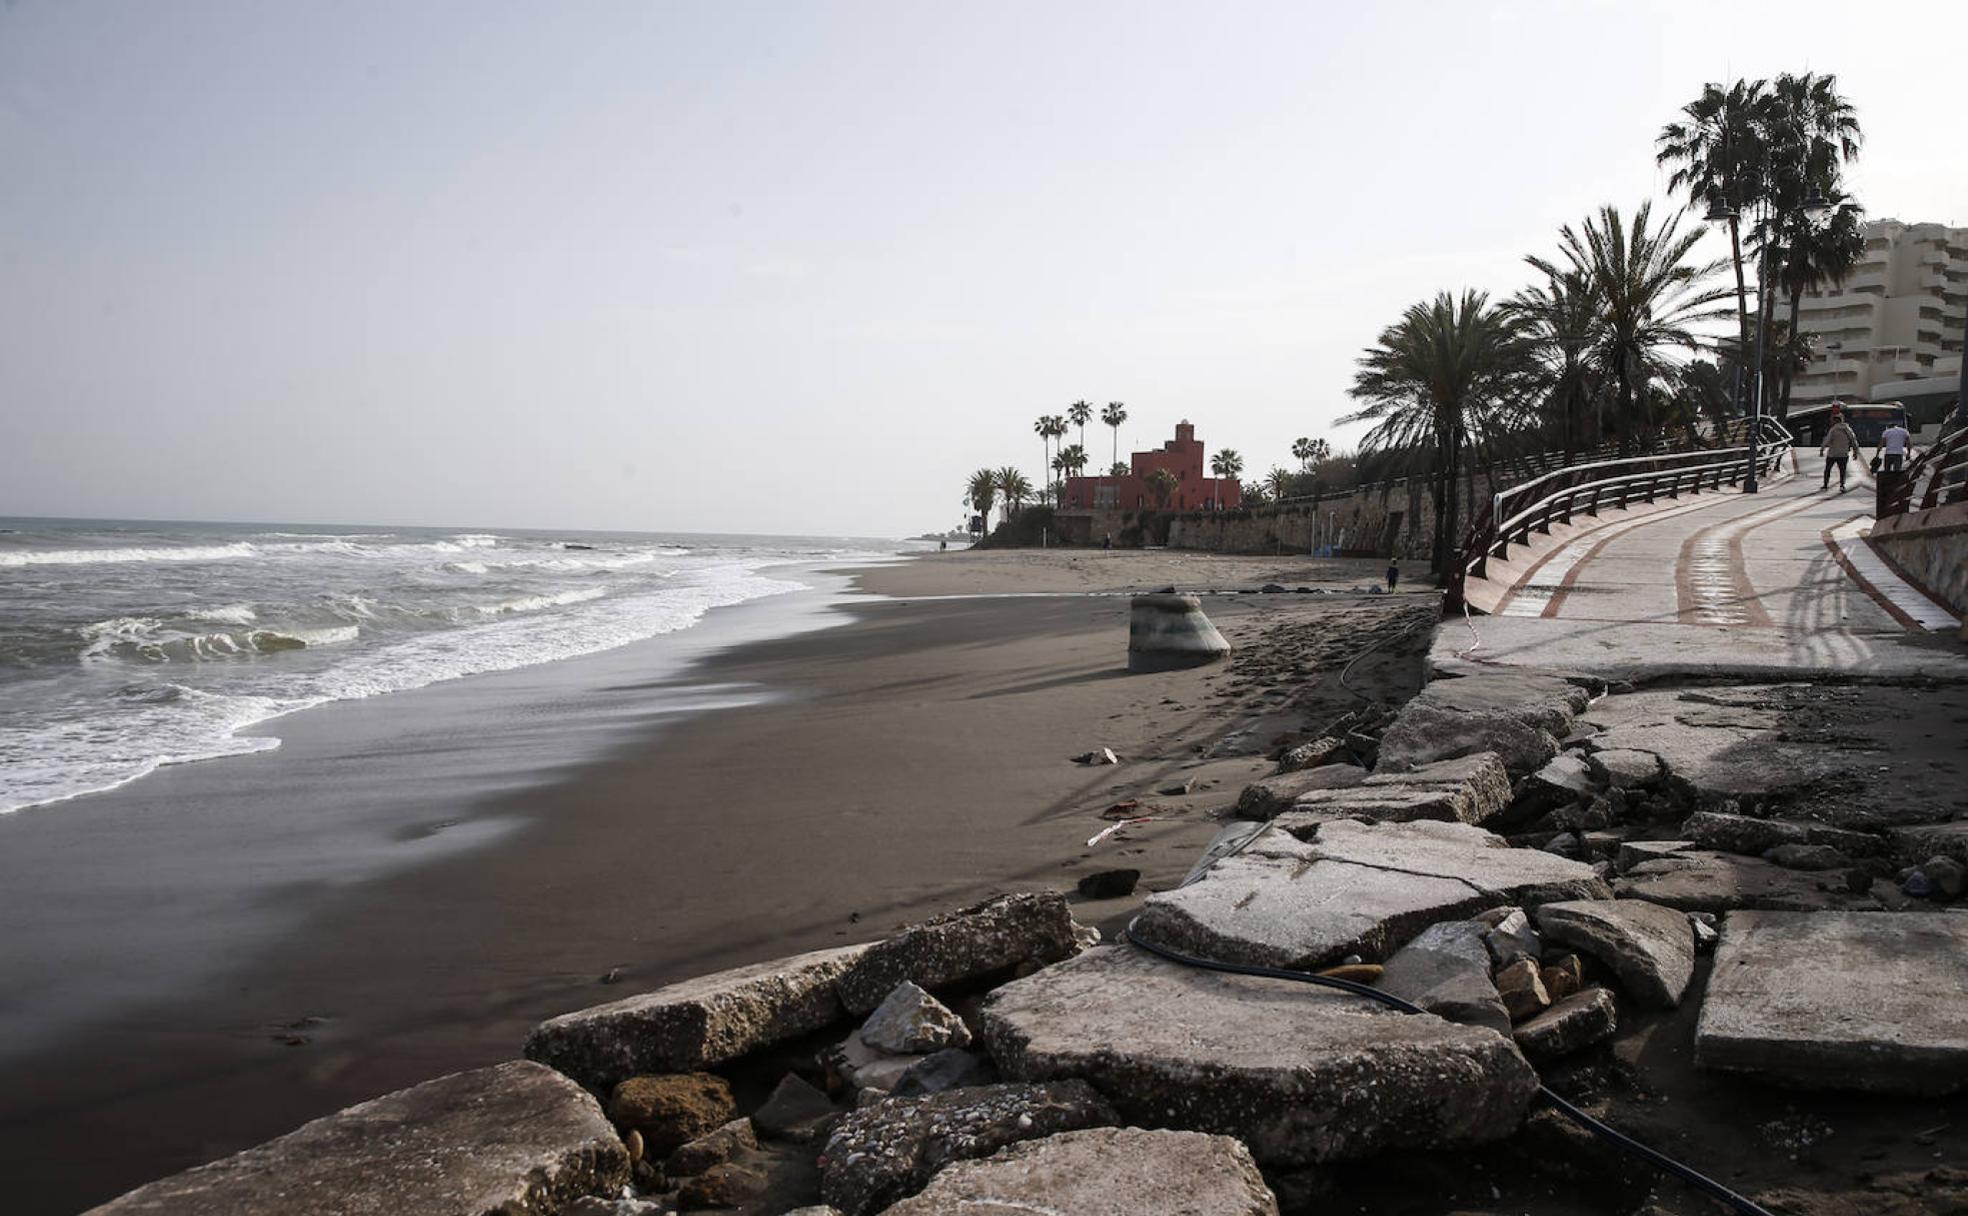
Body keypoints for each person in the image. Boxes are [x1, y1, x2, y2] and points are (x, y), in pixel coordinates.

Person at [1821, 411, 1859, 491]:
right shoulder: (1848, 429)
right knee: (1842, 470)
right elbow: (1854, 440)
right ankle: (1842, 485)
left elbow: (1827, 440)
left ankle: (1825, 485)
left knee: (1828, 470)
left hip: (1832, 454)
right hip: (1843, 454)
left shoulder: (1833, 429)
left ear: (1835, 421)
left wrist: (1822, 449)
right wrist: (1855, 452)